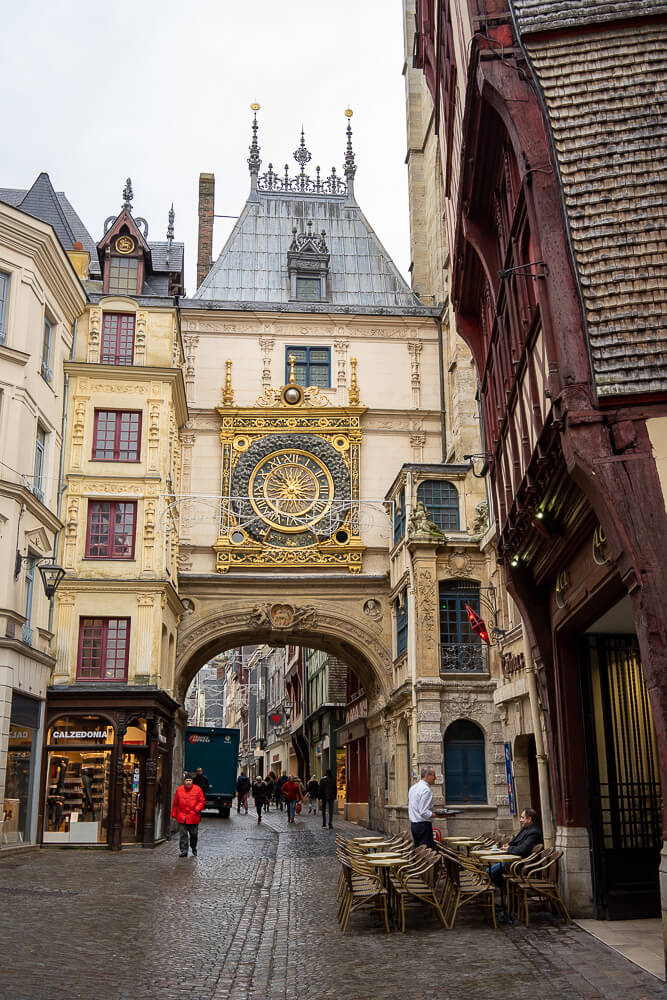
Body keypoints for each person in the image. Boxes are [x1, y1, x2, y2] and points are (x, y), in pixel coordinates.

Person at [491, 808, 544, 888]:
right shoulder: (526, 828)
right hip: (514, 861)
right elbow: (515, 841)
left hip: (520, 864)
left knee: (491, 872)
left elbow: (523, 849)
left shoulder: (534, 832)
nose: (520, 820)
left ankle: (505, 892)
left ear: (529, 819)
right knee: (490, 870)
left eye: (522, 817)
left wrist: (509, 849)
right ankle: (506, 892)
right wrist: (508, 845)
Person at [171, 773, 205, 858]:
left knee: (194, 834)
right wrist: (174, 815)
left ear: (192, 781)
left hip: (193, 816)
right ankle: (184, 851)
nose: (188, 782)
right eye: (187, 780)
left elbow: (201, 801)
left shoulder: (198, 789)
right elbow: (175, 803)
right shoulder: (179, 790)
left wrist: (196, 810)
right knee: (183, 835)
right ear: (184, 781)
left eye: (190, 780)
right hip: (182, 816)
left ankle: (193, 847)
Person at [407, 766, 436, 847]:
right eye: (434, 775)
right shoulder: (426, 790)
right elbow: (423, 812)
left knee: (418, 852)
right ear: (427, 775)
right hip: (423, 826)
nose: (435, 778)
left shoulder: (413, 788)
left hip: (414, 825)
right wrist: (437, 815)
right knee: (426, 853)